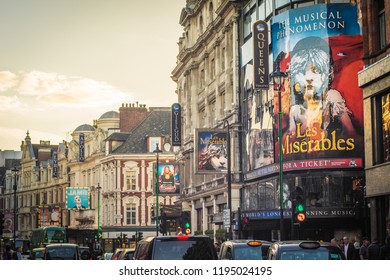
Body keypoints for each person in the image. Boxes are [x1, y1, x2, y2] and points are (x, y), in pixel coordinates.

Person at [288, 36, 356, 140]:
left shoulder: (331, 97)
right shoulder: (295, 110)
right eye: (302, 72)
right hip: (308, 153)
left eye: (316, 71)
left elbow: (351, 133)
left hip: (335, 151)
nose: (308, 78)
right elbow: (291, 139)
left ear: (328, 72)